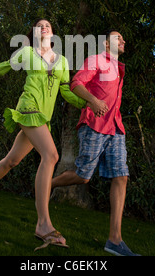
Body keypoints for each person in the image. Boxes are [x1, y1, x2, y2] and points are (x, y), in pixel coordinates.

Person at [0, 19, 87, 250]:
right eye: (39, 25)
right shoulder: (27, 52)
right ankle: (43, 224)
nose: (44, 26)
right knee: (51, 156)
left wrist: (88, 102)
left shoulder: (62, 61)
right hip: (28, 108)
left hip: (43, 118)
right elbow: (5, 66)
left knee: (12, 160)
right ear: (34, 33)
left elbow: (67, 93)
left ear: (52, 32)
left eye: (47, 24)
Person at [51, 30, 140, 256]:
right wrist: (93, 100)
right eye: (118, 38)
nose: (123, 41)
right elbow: (76, 83)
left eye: (123, 38)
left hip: (116, 128)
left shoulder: (118, 68)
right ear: (105, 43)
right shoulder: (96, 60)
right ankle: (46, 185)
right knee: (83, 176)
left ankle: (115, 241)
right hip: (94, 125)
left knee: (121, 177)